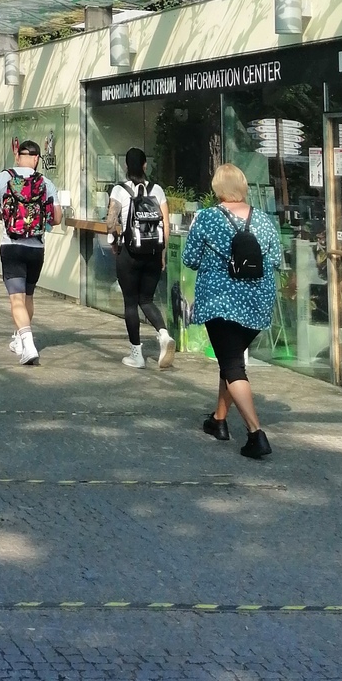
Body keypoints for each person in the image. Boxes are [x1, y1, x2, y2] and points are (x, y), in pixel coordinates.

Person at [183, 163, 282, 459]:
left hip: (221, 301)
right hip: (257, 303)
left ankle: (256, 434)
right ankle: (219, 421)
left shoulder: (207, 218)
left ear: (217, 188)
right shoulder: (263, 219)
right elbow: (275, 258)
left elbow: (189, 258)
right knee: (231, 360)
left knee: (232, 366)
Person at [0, 139, 60, 366]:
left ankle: (28, 345)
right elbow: (56, 218)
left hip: (12, 245)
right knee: (28, 296)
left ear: (18, 156)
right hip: (36, 248)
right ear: (36, 159)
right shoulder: (46, 183)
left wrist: (8, 218)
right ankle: (19, 339)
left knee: (16, 299)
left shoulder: (2, 178)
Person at [106, 146, 176, 370]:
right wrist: (162, 253)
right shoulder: (158, 190)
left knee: (131, 302)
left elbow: (110, 222)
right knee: (146, 299)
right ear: (145, 165)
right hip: (153, 254)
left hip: (129, 252)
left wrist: (113, 242)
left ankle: (136, 354)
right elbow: (165, 226)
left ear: (127, 166)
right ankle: (163, 334)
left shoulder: (120, 190)